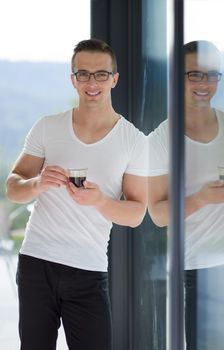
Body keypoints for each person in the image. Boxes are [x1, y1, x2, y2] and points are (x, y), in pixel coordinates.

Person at [5, 39, 147, 350]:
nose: (91, 83)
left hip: (88, 270)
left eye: (100, 74)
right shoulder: (47, 127)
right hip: (36, 264)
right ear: (73, 79)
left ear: (114, 78)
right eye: (83, 74)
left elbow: (136, 213)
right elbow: (13, 186)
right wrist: (37, 184)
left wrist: (101, 201)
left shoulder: (134, 141)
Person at [148, 40, 224, 349]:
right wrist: (200, 199)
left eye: (212, 75)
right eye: (194, 75)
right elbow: (158, 214)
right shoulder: (161, 139)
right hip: (201, 270)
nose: (205, 83)